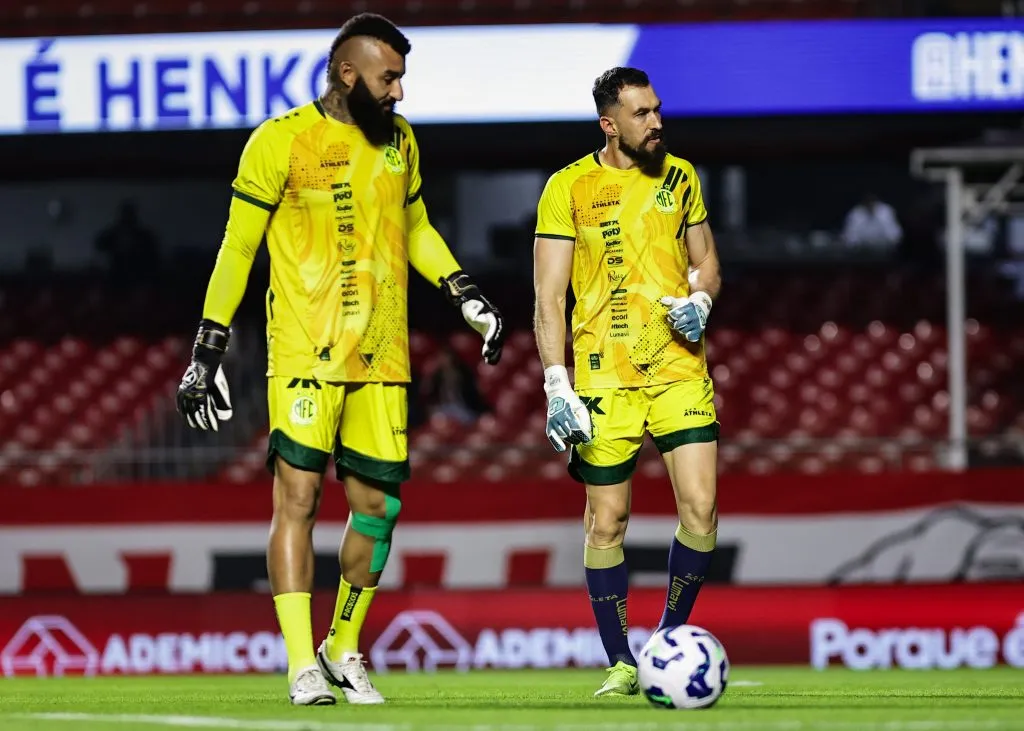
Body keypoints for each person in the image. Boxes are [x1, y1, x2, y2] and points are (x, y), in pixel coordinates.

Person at [174, 14, 504, 706]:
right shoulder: (280, 140)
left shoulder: (402, 142)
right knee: (298, 498)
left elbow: (416, 229)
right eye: (390, 78)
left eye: (403, 79)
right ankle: (300, 662)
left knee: (377, 506)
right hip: (303, 351)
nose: (400, 94)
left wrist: (464, 291)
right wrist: (207, 348)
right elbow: (238, 249)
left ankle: (340, 645)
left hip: (382, 355)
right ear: (348, 74)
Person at [532, 67, 721, 698]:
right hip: (601, 379)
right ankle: (620, 659)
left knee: (701, 508)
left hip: (677, 366)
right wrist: (557, 384)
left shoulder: (681, 176)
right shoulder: (568, 188)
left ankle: (666, 643)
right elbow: (548, 297)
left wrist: (702, 300)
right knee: (606, 522)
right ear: (610, 125)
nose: (657, 123)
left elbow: (706, 264)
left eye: (658, 110)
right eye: (642, 114)